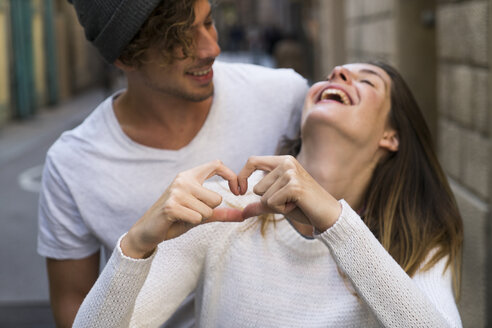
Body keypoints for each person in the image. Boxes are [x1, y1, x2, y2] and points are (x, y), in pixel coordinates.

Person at [72, 62, 464, 327]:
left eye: (366, 81)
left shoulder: (418, 237)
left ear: (390, 137)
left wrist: (336, 224)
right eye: (335, 73)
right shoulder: (224, 210)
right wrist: (137, 244)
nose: (339, 72)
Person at [37, 0, 308, 327]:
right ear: (126, 56)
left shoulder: (284, 98)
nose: (212, 48)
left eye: (208, 23)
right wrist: (139, 243)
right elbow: (74, 309)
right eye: (179, 40)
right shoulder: (73, 163)